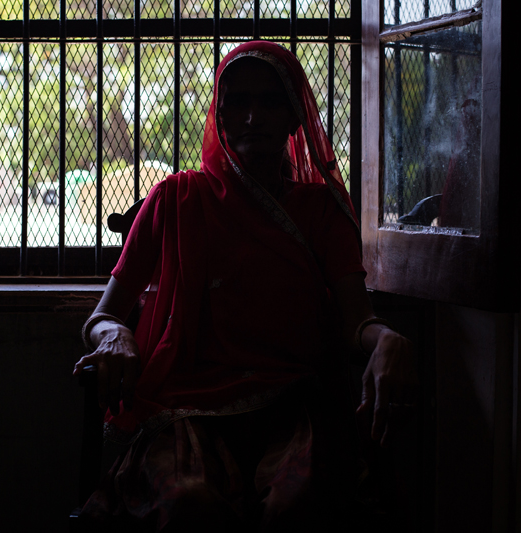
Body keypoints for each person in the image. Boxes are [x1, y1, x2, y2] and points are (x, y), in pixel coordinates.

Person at [74, 40, 416, 532]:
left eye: (271, 101)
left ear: (296, 116)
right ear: (220, 113)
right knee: (190, 505)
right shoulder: (175, 199)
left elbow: (356, 318)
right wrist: (116, 337)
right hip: (186, 410)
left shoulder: (321, 213)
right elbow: (103, 316)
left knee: (294, 508)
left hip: (293, 407)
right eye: (238, 101)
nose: (253, 116)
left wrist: (387, 340)